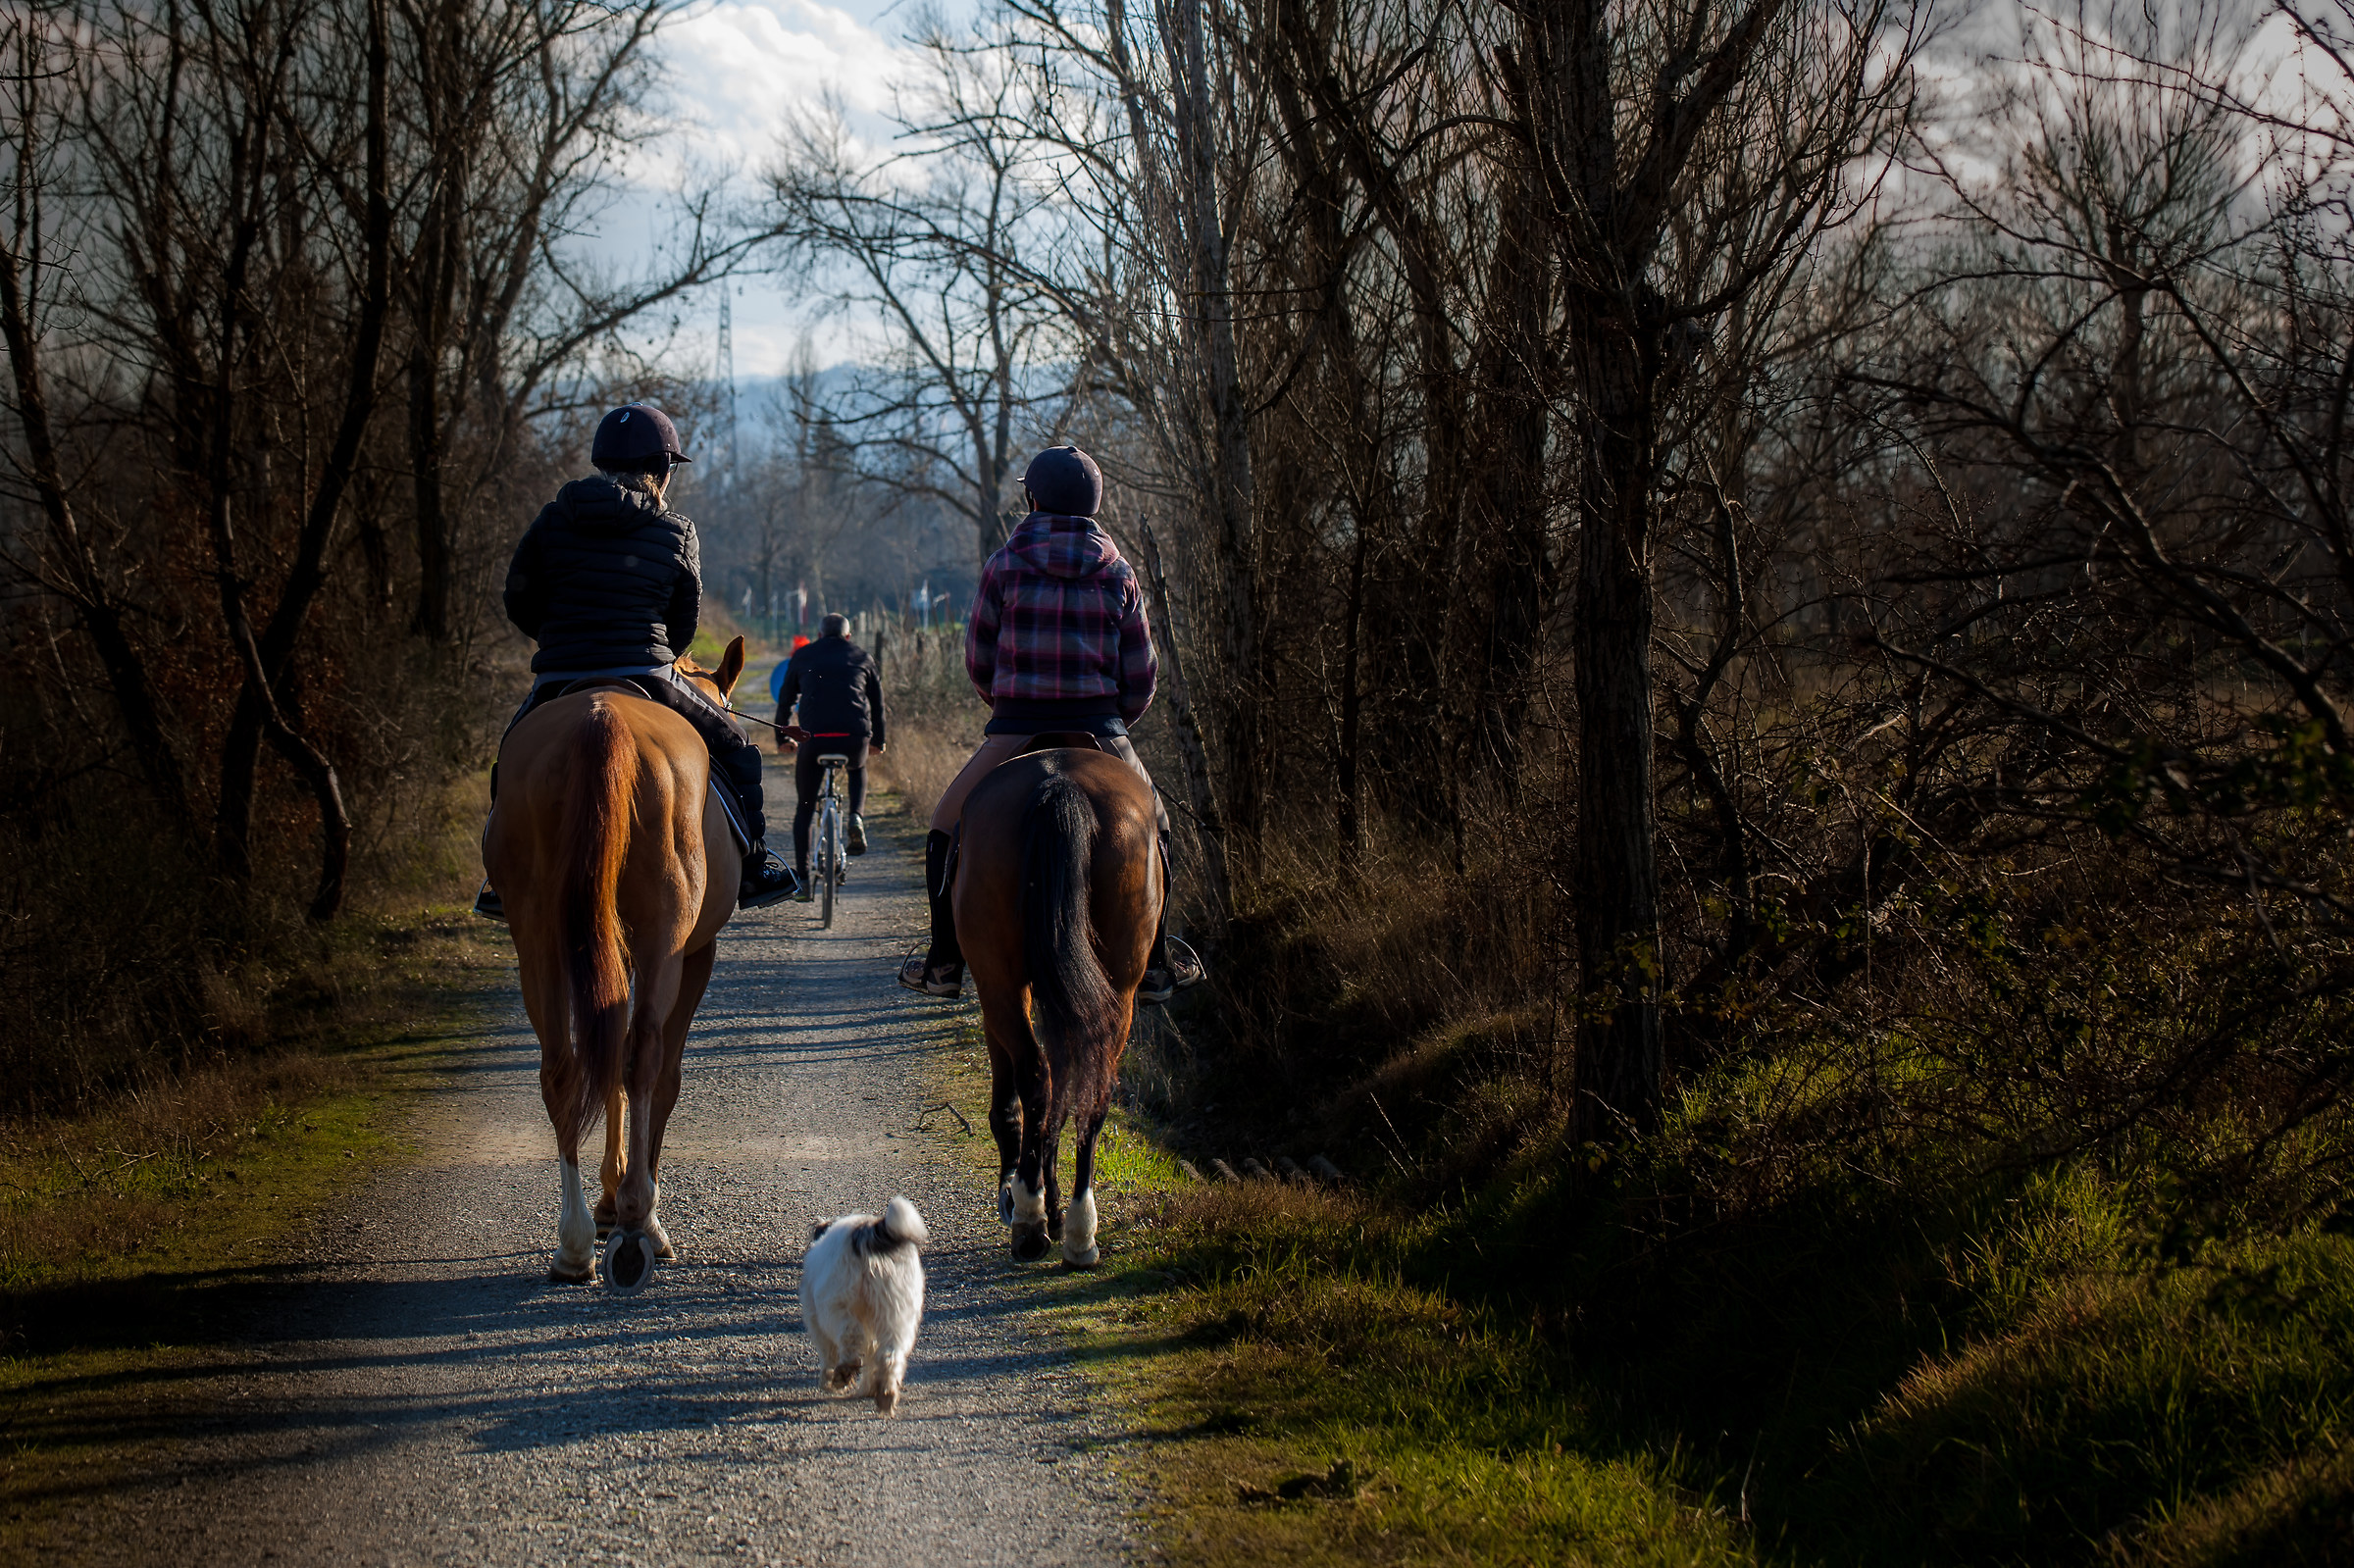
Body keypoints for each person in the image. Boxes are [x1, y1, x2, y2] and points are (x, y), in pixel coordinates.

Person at [897, 444, 1203, 1004]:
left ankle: (944, 962)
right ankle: (1155, 961)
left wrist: (1007, 708)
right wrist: (1113, 724)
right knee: (1156, 825)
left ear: (1032, 500)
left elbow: (978, 659)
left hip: (1018, 724)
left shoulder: (1004, 565)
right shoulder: (1118, 572)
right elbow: (1141, 673)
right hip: (1099, 726)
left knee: (945, 825)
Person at [473, 403, 799, 920]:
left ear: (603, 464)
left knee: (510, 756)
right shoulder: (676, 529)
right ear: (664, 472)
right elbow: (684, 624)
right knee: (738, 750)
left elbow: (518, 599)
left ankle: (498, 874)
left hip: (560, 673)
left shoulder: (553, 518)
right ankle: (757, 863)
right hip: (647, 671)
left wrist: (560, 641)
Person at [771, 611, 888, 899]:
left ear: (820, 635)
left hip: (814, 739)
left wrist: (782, 738)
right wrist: (879, 742)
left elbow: (786, 700)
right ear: (848, 636)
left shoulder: (804, 655)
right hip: (854, 737)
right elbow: (878, 704)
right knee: (858, 768)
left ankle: (802, 881)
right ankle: (856, 818)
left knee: (805, 809)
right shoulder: (863, 656)